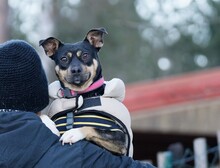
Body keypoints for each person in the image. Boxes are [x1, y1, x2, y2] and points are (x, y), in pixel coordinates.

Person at [0, 40, 156, 168]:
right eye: (65, 61)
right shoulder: (79, 157)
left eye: (84, 57)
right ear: (38, 97)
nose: (75, 68)